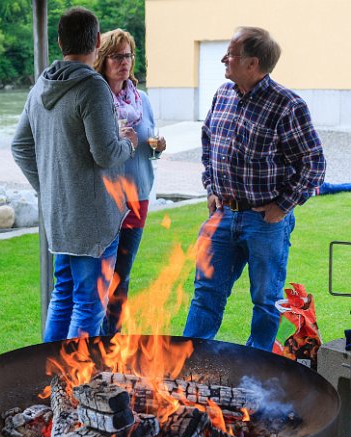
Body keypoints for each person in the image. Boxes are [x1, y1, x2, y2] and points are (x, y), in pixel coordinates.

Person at [183, 26, 326, 351]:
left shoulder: (287, 106)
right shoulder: (223, 94)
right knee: (206, 295)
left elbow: (314, 163)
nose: (223, 58)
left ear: (253, 63)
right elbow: (208, 141)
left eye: (231, 53)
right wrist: (211, 187)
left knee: (265, 300)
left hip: (265, 223)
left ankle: (257, 371)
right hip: (222, 216)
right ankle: (187, 365)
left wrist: (284, 205)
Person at [11, 8, 138, 342]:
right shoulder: (93, 87)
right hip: (94, 222)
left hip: (60, 217)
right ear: (97, 41)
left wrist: (50, 189)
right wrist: (128, 143)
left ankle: (49, 382)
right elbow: (106, 153)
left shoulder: (41, 85)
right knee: (87, 306)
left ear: (58, 41)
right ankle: (72, 387)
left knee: (62, 298)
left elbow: (19, 146)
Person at [94, 28, 166, 336]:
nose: (125, 62)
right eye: (117, 56)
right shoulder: (96, 100)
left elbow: (148, 143)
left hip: (138, 197)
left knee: (122, 276)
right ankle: (91, 344)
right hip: (107, 201)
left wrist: (157, 146)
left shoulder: (143, 100)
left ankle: (113, 342)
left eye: (129, 55)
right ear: (102, 59)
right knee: (100, 277)